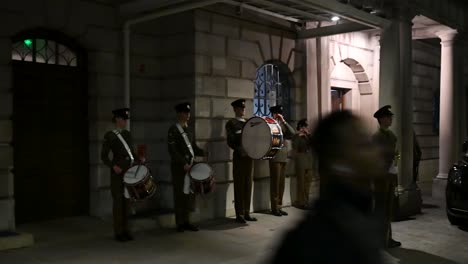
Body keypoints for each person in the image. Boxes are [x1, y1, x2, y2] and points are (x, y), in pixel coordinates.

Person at [271, 111, 384, 264]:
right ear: (340, 161)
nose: (376, 151)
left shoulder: (357, 214)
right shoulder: (317, 240)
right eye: (363, 144)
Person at [101, 108, 142, 242]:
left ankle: (127, 230)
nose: (125, 122)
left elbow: (131, 152)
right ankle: (118, 232)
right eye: (124, 119)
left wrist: (138, 158)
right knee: (118, 203)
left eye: (126, 119)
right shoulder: (110, 135)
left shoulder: (128, 135)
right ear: (117, 119)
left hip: (129, 171)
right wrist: (113, 166)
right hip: (118, 173)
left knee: (127, 202)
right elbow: (104, 156)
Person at [167, 102, 205, 232]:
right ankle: (179, 223)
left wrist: (203, 152)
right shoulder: (173, 129)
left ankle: (187, 221)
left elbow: (193, 147)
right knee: (179, 195)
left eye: (189, 112)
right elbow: (172, 150)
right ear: (179, 114)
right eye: (185, 112)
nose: (188, 115)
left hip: (190, 167)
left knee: (189, 195)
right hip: (180, 168)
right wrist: (184, 163)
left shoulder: (189, 129)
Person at [372, 105, 402, 248]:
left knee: (388, 208)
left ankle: (386, 238)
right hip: (381, 177)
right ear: (382, 119)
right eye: (388, 117)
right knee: (381, 208)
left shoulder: (391, 136)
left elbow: (396, 154)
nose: (391, 119)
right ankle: (379, 239)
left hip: (390, 175)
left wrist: (395, 164)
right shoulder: (376, 137)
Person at [225, 99, 257, 224]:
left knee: (248, 184)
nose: (243, 109)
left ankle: (247, 212)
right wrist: (239, 149)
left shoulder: (249, 123)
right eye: (240, 108)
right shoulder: (231, 123)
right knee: (239, 184)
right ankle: (240, 214)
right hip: (239, 157)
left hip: (249, 157)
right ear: (235, 109)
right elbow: (230, 140)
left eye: (243, 108)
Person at [269, 105, 295, 217]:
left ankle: (279, 206)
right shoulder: (270, 124)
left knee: (281, 184)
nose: (279, 115)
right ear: (273, 114)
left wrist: (283, 121)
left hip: (283, 156)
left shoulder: (282, 125)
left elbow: (292, 133)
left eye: (280, 113)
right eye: (277, 113)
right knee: (275, 183)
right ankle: (274, 208)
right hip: (274, 155)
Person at [292, 119, 314, 209]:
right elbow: (295, 147)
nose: (306, 128)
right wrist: (299, 136)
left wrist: (308, 134)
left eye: (306, 127)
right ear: (301, 127)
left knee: (307, 183)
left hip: (308, 159)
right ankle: (301, 202)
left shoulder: (307, 136)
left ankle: (306, 201)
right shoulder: (296, 136)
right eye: (305, 127)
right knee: (301, 182)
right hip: (300, 158)